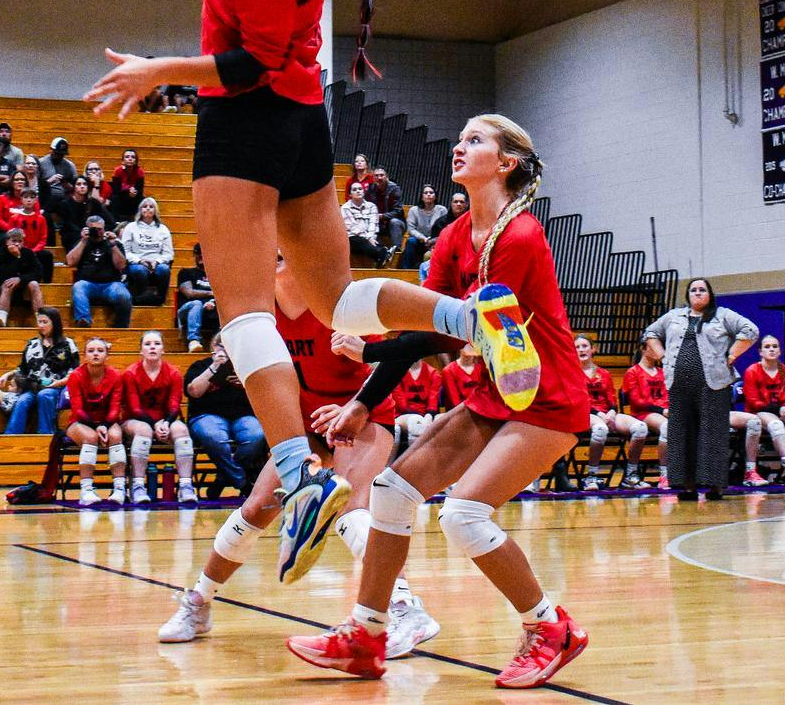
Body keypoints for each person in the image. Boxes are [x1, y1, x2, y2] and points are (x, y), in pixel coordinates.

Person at [86, 0, 525, 583]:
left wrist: (158, 71)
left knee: (246, 314)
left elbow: (242, 64)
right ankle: (472, 318)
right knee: (335, 303)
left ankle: (297, 476)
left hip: (245, 120)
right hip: (305, 124)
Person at [286, 115, 587, 688]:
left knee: (464, 515)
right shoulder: (452, 237)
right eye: (460, 137)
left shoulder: (520, 237)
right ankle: (367, 635)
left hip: (546, 399)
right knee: (391, 493)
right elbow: (442, 329)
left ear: (507, 164)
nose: (459, 145)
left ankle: (550, 627)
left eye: (476, 140)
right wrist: (363, 404)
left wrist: (371, 355)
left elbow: (465, 332)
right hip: (493, 394)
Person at [159, 263, 437, 654]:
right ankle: (199, 602)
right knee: (256, 508)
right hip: (305, 421)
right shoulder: (259, 314)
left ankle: (406, 606)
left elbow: (386, 365)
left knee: (351, 509)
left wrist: (350, 408)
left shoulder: (338, 305)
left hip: (363, 415)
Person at [644, 278, 757, 501]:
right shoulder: (673, 316)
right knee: (682, 434)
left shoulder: (723, 315)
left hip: (713, 384)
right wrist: (662, 356)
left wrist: (732, 354)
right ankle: (686, 486)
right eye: (693, 290)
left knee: (713, 434)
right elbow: (650, 333)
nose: (697, 293)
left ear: (709, 294)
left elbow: (750, 330)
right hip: (679, 385)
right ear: (687, 295)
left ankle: (715, 485)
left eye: (702, 290)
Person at [122, 330, 198, 505]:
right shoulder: (130, 373)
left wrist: (166, 422)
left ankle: (186, 486)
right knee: (144, 430)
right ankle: (138, 486)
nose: (152, 347)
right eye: (147, 344)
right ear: (141, 350)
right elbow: (134, 407)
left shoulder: (173, 373)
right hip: (135, 420)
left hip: (164, 420)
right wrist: (156, 424)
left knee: (181, 429)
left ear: (163, 349)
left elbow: (174, 404)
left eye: (156, 343)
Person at [183, 338, 265, 498]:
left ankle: (223, 478)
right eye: (222, 345)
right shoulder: (200, 365)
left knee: (256, 436)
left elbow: (263, 394)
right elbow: (194, 391)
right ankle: (243, 482)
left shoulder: (246, 367)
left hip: (243, 416)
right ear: (214, 347)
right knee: (214, 436)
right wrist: (214, 367)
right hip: (206, 415)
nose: (227, 349)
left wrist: (246, 384)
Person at [735, 335, 785, 485]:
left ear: (779, 351)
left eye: (775, 346)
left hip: (783, 412)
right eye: (767, 347)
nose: (771, 349)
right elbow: (753, 402)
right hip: (760, 413)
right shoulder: (752, 371)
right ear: (760, 352)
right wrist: (779, 410)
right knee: (776, 424)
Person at [64, 336, 127, 504]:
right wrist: (95, 427)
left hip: (107, 420)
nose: (96, 354)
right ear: (85, 356)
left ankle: (119, 489)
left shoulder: (115, 375)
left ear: (107, 356)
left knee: (115, 436)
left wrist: (105, 425)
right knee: (90, 437)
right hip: (80, 421)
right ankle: (86, 491)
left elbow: (115, 407)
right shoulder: (75, 376)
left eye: (100, 351)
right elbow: (77, 409)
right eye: (91, 351)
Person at [5, 307, 79, 435]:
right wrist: (9, 374)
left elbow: (76, 371)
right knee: (22, 401)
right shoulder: (32, 343)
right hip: (33, 386)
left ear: (54, 323)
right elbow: (23, 368)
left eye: (45, 322)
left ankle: (46, 435)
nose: (41, 325)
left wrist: (60, 382)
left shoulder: (68, 344)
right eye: (39, 322)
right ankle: (11, 437)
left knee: (44, 395)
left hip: (57, 387)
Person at [574, 335, 627, 490]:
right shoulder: (573, 373)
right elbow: (578, 401)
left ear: (593, 349)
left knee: (640, 428)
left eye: (585, 346)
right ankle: (591, 476)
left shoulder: (604, 373)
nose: (581, 350)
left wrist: (612, 411)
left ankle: (631, 474)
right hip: (585, 414)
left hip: (605, 413)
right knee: (600, 429)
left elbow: (611, 398)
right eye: (577, 347)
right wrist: (598, 414)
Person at [615, 337, 668, 487]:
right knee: (667, 427)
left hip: (662, 412)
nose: (659, 350)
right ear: (643, 349)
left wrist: (668, 409)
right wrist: (661, 410)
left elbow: (667, 396)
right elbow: (636, 401)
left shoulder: (662, 372)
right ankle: (665, 474)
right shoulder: (633, 372)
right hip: (642, 413)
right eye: (654, 347)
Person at [68, 215, 132, 329]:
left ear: (104, 229)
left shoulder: (114, 244)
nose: (96, 231)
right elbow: (70, 262)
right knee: (78, 286)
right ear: (86, 229)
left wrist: (112, 244)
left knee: (124, 295)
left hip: (111, 284)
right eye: (93, 229)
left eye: (99, 229)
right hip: (87, 283)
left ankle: (121, 327)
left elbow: (121, 265)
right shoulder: (82, 243)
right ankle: (84, 321)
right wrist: (83, 240)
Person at [119, 197, 175, 307]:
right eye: (145, 206)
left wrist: (157, 261)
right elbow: (125, 251)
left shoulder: (163, 229)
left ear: (155, 210)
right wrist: (140, 261)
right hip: (137, 263)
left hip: (157, 263)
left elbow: (169, 253)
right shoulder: (131, 227)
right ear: (140, 210)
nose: (148, 209)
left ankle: (160, 299)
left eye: (151, 207)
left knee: (164, 269)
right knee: (139, 271)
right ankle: (140, 299)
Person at [388, 358, 439, 457]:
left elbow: (433, 401)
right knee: (416, 423)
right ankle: (408, 465)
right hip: (402, 415)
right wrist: (422, 420)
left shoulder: (433, 373)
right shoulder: (397, 372)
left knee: (445, 421)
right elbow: (402, 404)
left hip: (426, 415)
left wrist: (429, 416)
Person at [177, 244, 217, 352]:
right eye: (198, 254)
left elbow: (224, 295)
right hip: (188, 310)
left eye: (204, 255)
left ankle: (218, 343)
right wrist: (211, 293)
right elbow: (189, 293)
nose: (201, 257)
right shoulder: (185, 272)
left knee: (223, 306)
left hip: (210, 309)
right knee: (197, 304)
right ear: (194, 255)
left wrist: (213, 301)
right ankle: (193, 340)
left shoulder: (217, 276)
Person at [400, 185, 446, 270]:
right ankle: (405, 270)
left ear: (435, 196)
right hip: (419, 240)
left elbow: (445, 229)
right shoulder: (414, 210)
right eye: (426, 193)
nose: (428, 194)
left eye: (431, 193)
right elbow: (411, 229)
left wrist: (433, 240)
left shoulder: (442, 210)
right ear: (421, 197)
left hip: (436, 241)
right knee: (410, 241)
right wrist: (423, 238)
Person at [341, 180, 383, 263]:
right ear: (350, 194)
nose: (358, 191)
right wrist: (368, 238)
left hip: (370, 236)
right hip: (354, 238)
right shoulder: (345, 208)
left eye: (360, 189)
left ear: (364, 192)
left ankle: (381, 256)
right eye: (354, 189)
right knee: (361, 241)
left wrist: (371, 237)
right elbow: (353, 227)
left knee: (376, 240)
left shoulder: (372, 206)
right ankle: (382, 254)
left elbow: (373, 224)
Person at [37, 138, 79, 217]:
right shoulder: (41, 163)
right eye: (57, 154)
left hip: (64, 197)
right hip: (46, 196)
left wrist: (65, 184)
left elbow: (74, 187)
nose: (60, 156)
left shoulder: (69, 165)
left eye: (62, 154)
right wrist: (49, 182)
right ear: (51, 150)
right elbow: (35, 185)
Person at [371, 167, 405, 254]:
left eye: (381, 175)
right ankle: (381, 251)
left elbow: (398, 211)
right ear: (373, 178)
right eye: (376, 176)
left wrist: (382, 216)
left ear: (386, 177)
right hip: (377, 223)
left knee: (394, 222)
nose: (379, 178)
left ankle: (396, 251)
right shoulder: (371, 189)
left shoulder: (395, 189)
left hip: (395, 223)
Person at [108, 148, 145, 224]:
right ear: (123, 160)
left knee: (143, 199)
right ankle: (115, 221)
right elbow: (115, 190)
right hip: (121, 197)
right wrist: (128, 191)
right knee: (114, 198)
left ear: (136, 160)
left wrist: (134, 193)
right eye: (127, 157)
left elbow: (140, 190)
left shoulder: (139, 171)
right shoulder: (117, 170)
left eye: (132, 157)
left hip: (134, 198)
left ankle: (139, 220)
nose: (130, 159)